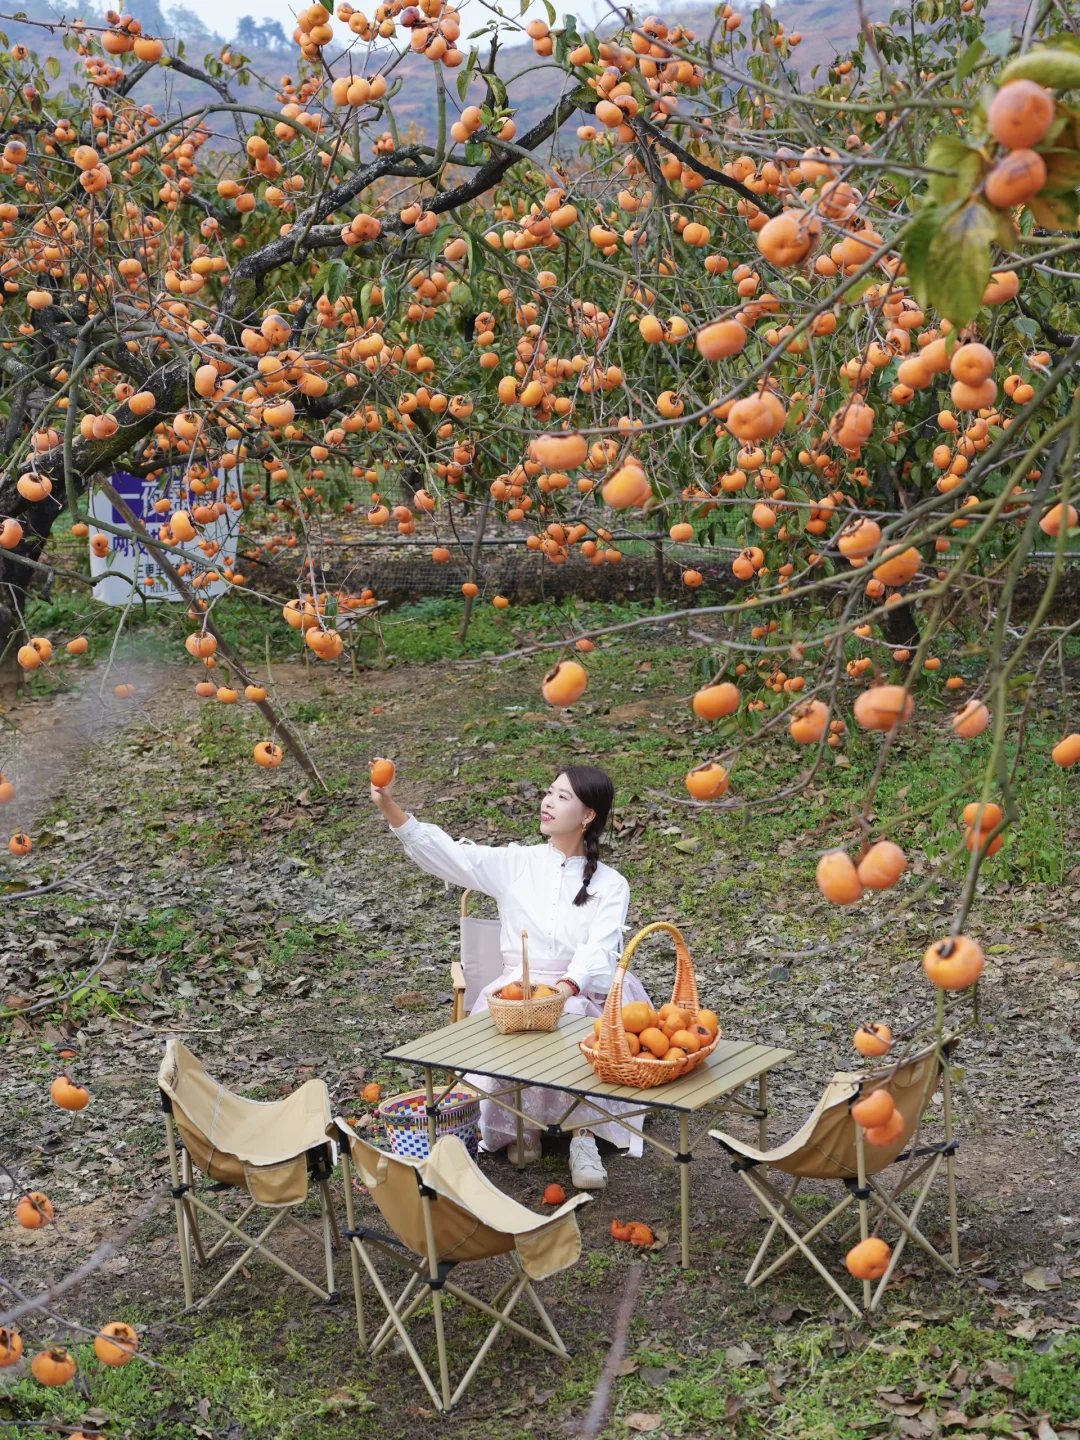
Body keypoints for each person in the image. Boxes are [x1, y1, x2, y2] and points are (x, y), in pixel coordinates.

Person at [371, 764, 652, 1190]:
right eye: (549, 792)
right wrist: (388, 805)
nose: (548, 802)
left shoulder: (611, 884)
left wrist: (564, 988)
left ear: (588, 815)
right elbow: (450, 855)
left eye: (562, 797)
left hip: (583, 989)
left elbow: (599, 947)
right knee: (510, 1014)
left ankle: (583, 1137)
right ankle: (523, 1126)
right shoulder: (516, 862)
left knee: (577, 1016)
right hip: (520, 988)